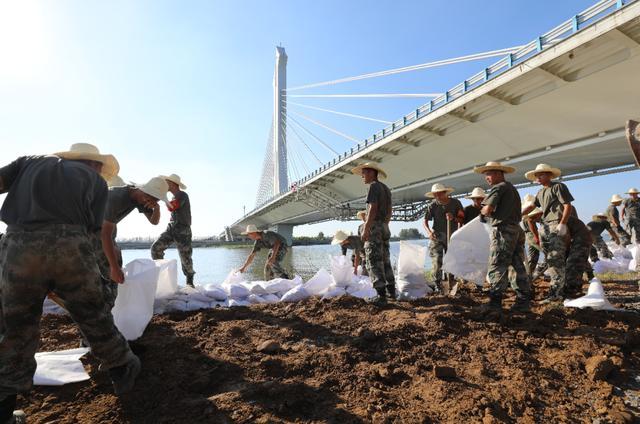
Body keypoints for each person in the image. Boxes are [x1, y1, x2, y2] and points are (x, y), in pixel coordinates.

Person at [0, 144, 141, 423]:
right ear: (93, 164)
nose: (101, 171)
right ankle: (122, 368)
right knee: (93, 315)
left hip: (19, 247)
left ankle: (4, 410)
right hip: (72, 246)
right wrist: (86, 275)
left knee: (16, 327)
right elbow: (93, 234)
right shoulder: (97, 184)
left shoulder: (29, 162)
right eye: (100, 166)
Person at [99, 177, 169, 310]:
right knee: (109, 267)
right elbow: (104, 234)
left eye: (156, 200)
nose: (151, 202)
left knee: (115, 264)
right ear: (144, 191)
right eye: (151, 199)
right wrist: (114, 267)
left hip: (106, 229)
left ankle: (113, 307)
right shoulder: (114, 197)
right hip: (89, 228)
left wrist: (157, 209)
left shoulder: (142, 199)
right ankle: (106, 308)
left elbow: (154, 222)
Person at [473, 161, 530, 313]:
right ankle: (523, 301)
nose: (486, 178)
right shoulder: (512, 189)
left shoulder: (498, 188)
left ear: (499, 173)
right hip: (516, 229)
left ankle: (495, 304)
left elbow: (487, 209)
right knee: (518, 266)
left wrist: (482, 214)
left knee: (497, 265)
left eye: (488, 174)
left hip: (503, 230)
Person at [522, 163, 576, 302]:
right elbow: (532, 206)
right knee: (549, 260)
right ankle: (557, 290)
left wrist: (562, 224)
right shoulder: (540, 192)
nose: (538, 178)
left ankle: (556, 294)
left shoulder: (558, 187)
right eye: (537, 176)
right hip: (544, 227)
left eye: (541, 175)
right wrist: (518, 214)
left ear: (549, 175)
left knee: (556, 260)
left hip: (555, 225)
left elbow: (567, 205)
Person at [351, 162, 395, 304]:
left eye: (363, 173)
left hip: (374, 227)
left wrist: (367, 228)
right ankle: (391, 292)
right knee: (385, 259)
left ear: (371, 173)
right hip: (384, 226)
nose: (362, 176)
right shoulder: (386, 188)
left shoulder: (373, 187)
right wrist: (384, 225)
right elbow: (389, 211)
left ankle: (381, 296)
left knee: (373, 260)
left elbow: (372, 209)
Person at [151, 174, 195, 287]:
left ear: (173, 184)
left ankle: (189, 281)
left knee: (185, 257)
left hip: (182, 229)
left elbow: (172, 207)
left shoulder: (182, 195)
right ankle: (161, 274)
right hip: (171, 228)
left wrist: (162, 196)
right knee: (156, 248)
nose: (165, 185)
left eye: (167, 183)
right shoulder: (175, 196)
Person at [423, 183, 464, 294]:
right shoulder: (432, 205)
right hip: (437, 237)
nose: (437, 196)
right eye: (435, 195)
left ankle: (451, 282)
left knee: (451, 261)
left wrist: (453, 217)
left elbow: (461, 219)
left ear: (445, 193)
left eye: (439, 194)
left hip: (452, 236)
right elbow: (425, 221)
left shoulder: (456, 203)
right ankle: (437, 284)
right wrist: (429, 232)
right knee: (437, 261)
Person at [521, 195, 545, 280]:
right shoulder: (529, 215)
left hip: (528, 235)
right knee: (547, 252)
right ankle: (540, 268)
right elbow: (531, 224)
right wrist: (537, 237)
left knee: (533, 256)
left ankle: (527, 275)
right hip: (531, 235)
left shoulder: (525, 212)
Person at [356, 210, 368, 275]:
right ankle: (364, 275)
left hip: (370, 248)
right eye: (362, 216)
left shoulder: (372, 225)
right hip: (362, 249)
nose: (363, 217)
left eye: (364, 215)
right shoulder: (360, 227)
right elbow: (359, 239)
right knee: (364, 263)